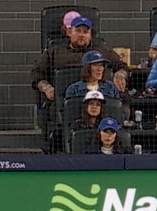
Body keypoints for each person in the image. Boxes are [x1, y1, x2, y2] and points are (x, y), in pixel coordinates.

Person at [30, 14, 125, 152]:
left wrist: (120, 74)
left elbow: (122, 66)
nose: (82, 35)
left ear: (91, 34)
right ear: (69, 32)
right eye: (78, 31)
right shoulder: (55, 52)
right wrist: (46, 87)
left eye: (85, 32)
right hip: (68, 105)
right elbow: (36, 73)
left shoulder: (102, 51)